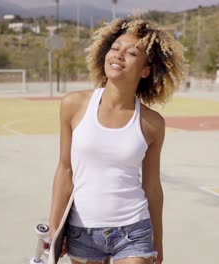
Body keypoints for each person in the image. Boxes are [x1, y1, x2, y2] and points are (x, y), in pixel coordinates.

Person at [48, 18, 186, 264]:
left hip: (134, 229)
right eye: (115, 48)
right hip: (82, 230)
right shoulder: (73, 105)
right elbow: (65, 168)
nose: (119, 54)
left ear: (145, 70)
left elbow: (152, 187)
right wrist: (55, 227)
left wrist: (158, 242)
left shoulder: (152, 123)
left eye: (131, 52)